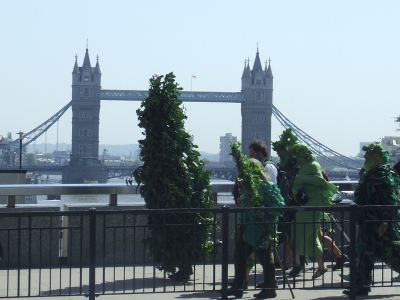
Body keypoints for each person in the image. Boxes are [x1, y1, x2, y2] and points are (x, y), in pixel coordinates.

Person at [342, 143, 400, 296]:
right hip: (367, 221)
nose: (365, 158)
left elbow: (391, 201)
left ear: (376, 157)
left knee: (392, 253)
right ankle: (361, 286)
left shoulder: (386, 175)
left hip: (380, 222)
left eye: (368, 155)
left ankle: (361, 285)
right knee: (363, 254)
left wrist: (386, 221)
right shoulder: (368, 173)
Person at [228, 158, 285, 299]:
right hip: (250, 230)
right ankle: (239, 286)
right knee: (240, 255)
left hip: (263, 230)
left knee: (265, 258)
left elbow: (279, 206)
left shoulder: (268, 186)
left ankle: (269, 288)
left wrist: (262, 212)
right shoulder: (249, 188)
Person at [288, 143, 339, 279]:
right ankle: (319, 265)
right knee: (309, 234)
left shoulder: (313, 165)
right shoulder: (303, 166)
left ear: (303, 155)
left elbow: (320, 182)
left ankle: (299, 263)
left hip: (314, 203)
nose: (296, 158)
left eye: (297, 156)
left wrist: (301, 179)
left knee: (300, 229)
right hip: (307, 202)